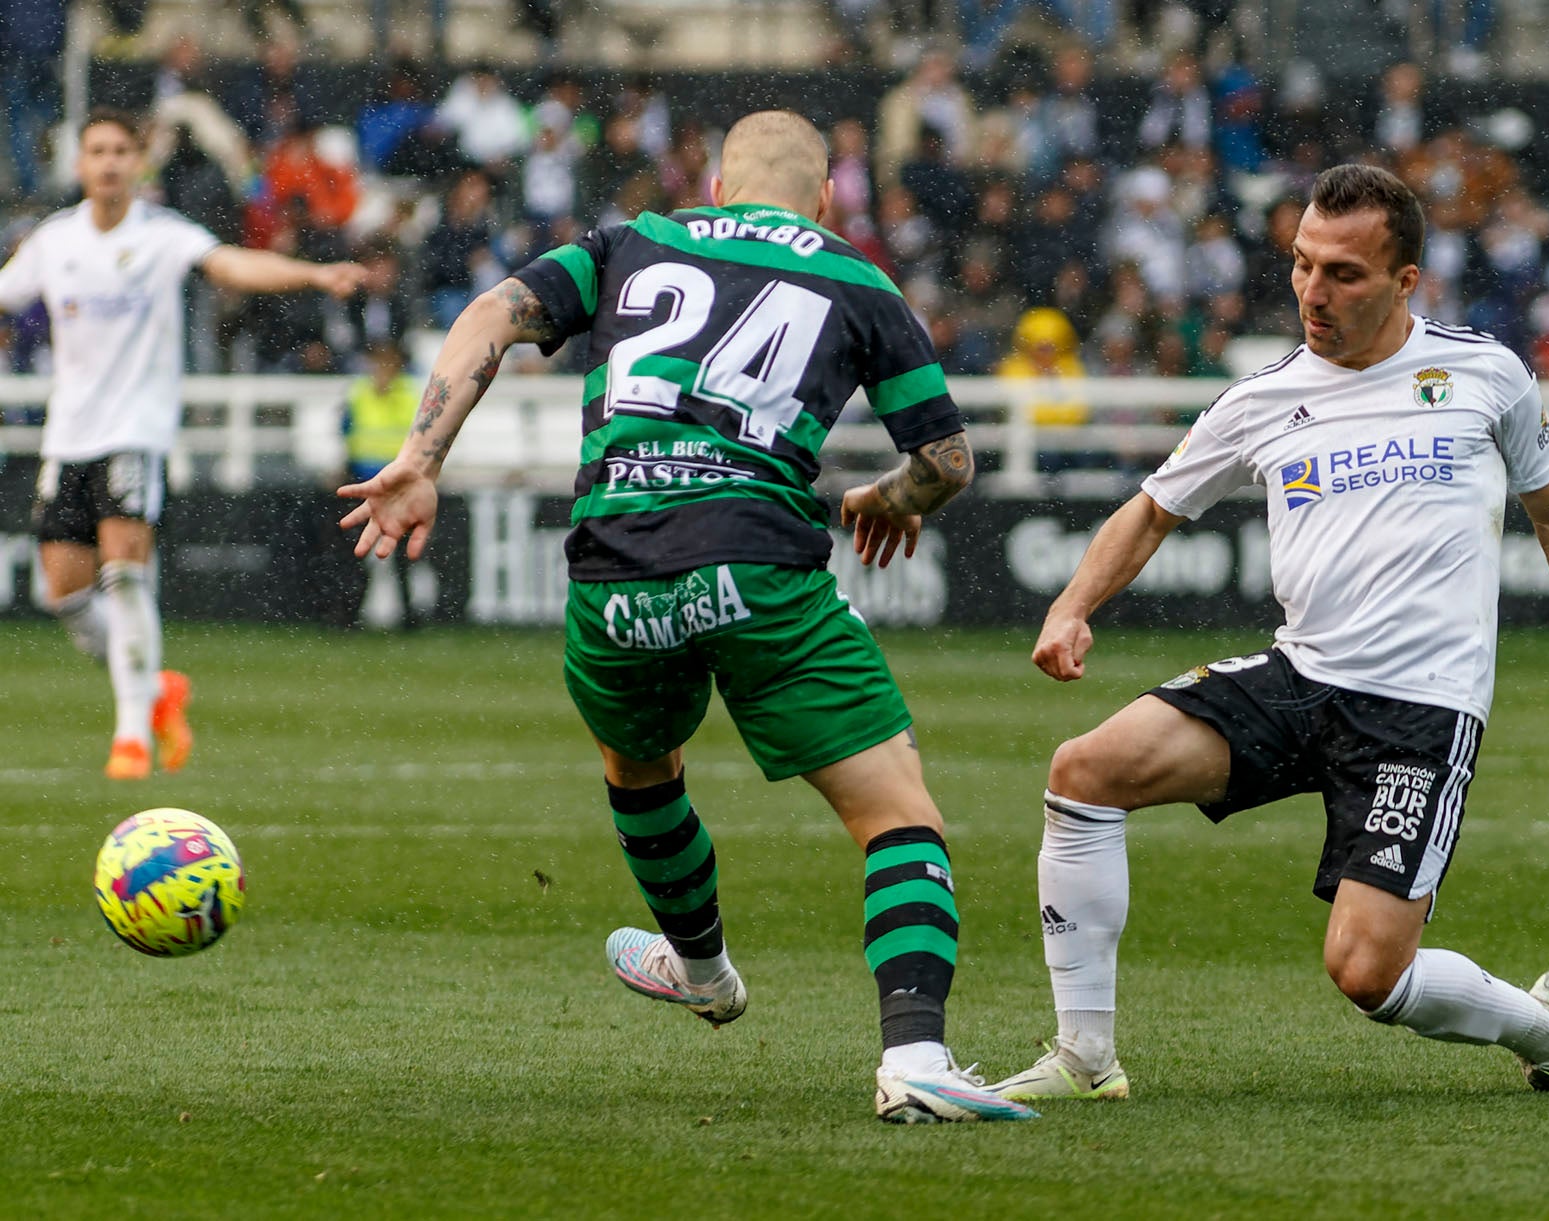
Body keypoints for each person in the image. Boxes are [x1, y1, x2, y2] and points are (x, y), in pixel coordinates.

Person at [337, 109, 1037, 1126]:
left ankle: (702, 971)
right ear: (826, 197)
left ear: (716, 187)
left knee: (640, 767)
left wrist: (423, 458)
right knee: (896, 814)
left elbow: (495, 310)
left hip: (612, 567)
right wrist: (894, 501)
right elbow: (946, 459)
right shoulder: (857, 277)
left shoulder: (633, 241)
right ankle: (916, 1056)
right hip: (756, 563)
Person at [986, 164, 1549, 1103]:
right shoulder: (1262, 396)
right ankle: (1086, 1060)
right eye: (1302, 265)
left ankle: (1543, 1026)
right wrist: (1071, 606)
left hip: (1420, 713)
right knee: (1084, 770)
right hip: (1302, 676)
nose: (1312, 291)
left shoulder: (1485, 375)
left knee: (1366, 973)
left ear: (1406, 281)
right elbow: (1151, 510)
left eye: (1343, 273)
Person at [0, 108, 363, 779]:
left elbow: (231, 266)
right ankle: (158, 687)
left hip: (135, 430)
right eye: (97, 151)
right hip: (68, 436)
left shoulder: (164, 237)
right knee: (64, 597)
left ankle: (131, 733)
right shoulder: (54, 241)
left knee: (126, 575)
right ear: (79, 165)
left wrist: (311, 275)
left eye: (120, 150)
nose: (109, 162)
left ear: (139, 162)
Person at [339, 340, 421, 629]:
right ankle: (350, 614)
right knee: (358, 552)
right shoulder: (359, 393)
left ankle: (409, 615)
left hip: (398, 485)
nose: (381, 369)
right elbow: (346, 433)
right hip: (363, 483)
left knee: (401, 555)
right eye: (377, 362)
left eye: (387, 363)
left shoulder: (410, 395)